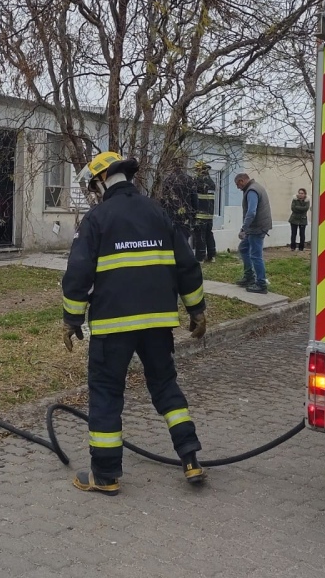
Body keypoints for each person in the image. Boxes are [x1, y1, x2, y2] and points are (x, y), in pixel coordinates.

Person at [62, 151, 208, 495]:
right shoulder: (157, 212)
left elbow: (78, 273)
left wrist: (72, 318)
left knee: (107, 394)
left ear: (101, 181)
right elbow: (187, 265)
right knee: (165, 386)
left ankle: (106, 475)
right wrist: (196, 309)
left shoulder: (97, 218)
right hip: (158, 322)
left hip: (113, 325)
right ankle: (190, 459)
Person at [234, 172, 272, 294]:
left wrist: (243, 229)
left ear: (241, 181)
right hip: (256, 227)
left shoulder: (251, 190)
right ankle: (249, 276)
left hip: (256, 227)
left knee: (256, 255)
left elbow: (251, 212)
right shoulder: (256, 187)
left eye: (237, 184)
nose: (237, 188)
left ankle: (261, 284)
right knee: (244, 248)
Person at [160, 154, 197, 249]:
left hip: (171, 214)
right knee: (184, 240)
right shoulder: (189, 180)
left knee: (172, 241)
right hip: (186, 215)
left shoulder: (168, 180)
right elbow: (194, 199)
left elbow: (163, 200)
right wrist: (194, 214)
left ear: (172, 166)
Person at [193, 161, 218, 262]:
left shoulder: (197, 181)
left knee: (200, 235)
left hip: (200, 214)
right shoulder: (211, 182)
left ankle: (200, 257)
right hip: (209, 214)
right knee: (209, 234)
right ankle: (212, 256)